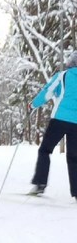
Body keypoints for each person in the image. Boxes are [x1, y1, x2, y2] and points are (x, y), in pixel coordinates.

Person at [29, 51, 77, 200]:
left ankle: (40, 184)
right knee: (74, 157)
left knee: (45, 150)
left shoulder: (62, 76)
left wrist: (33, 105)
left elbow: (47, 92)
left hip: (59, 120)